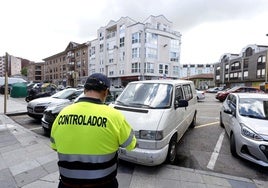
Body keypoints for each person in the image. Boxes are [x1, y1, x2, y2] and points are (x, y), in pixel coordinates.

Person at [50, 73, 137, 188]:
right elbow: (131, 144)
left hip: (67, 184)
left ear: (85, 90)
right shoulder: (114, 116)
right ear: (106, 92)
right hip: (103, 184)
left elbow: (54, 146)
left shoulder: (63, 113)